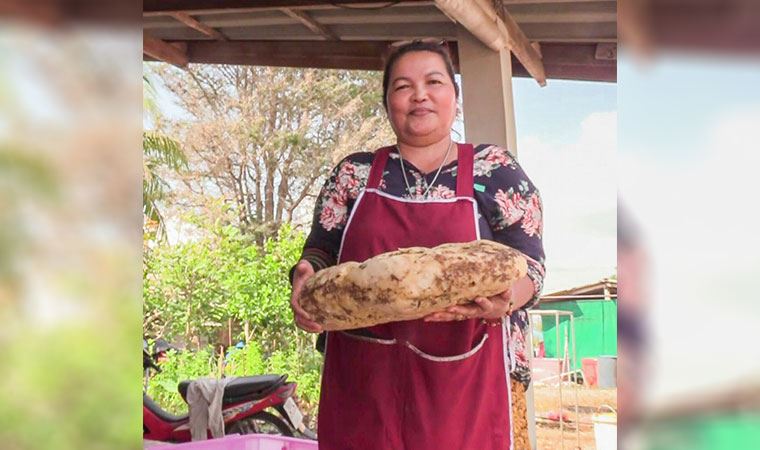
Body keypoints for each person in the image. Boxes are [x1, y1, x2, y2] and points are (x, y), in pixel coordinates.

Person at [289, 40, 545, 450]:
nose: (419, 94)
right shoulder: (353, 174)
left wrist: (507, 299)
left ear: (454, 99)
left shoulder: (495, 170)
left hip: (467, 389)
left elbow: (530, 265)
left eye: (434, 82)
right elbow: (321, 249)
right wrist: (305, 274)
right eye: (403, 86)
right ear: (388, 102)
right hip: (364, 386)